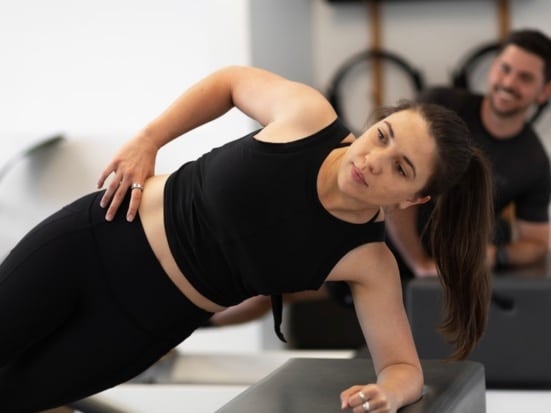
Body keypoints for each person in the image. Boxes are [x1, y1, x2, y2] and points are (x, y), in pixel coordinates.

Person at [0, 65, 494, 413]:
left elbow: (403, 366)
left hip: (141, 326)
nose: (373, 161)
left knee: (13, 399)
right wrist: (148, 140)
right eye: (382, 135)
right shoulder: (307, 117)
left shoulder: (367, 260)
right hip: (92, 240)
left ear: (414, 199)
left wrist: (390, 393)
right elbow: (230, 82)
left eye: (400, 168)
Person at [386, 28, 551, 280]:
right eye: (504, 69)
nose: (508, 83)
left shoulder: (535, 162)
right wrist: (419, 263)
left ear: (544, 92)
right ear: (493, 68)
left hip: (451, 274)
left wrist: (496, 255)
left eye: (525, 78)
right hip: (385, 253)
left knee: (500, 231)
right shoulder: (438, 106)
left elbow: (537, 243)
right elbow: (393, 187)